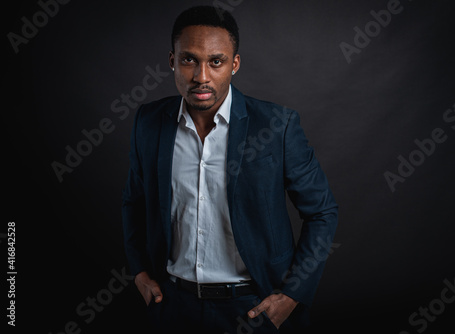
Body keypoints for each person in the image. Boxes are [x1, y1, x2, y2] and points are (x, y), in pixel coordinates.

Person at [122, 5, 338, 333]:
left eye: (216, 61)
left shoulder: (277, 126)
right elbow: (133, 202)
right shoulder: (149, 123)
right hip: (172, 305)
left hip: (253, 307)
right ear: (172, 62)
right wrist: (138, 271)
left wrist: (292, 295)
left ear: (234, 64)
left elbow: (322, 212)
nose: (201, 76)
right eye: (189, 59)